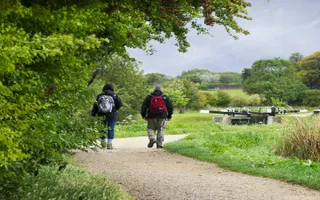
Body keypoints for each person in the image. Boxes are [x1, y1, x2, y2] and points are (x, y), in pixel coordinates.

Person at [91, 83, 122, 149]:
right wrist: (114, 109)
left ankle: (103, 143)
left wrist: (93, 114)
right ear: (112, 88)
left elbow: (95, 105)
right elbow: (120, 104)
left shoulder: (99, 96)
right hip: (112, 115)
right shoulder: (114, 95)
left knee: (102, 128)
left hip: (101, 114)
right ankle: (109, 144)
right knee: (111, 128)